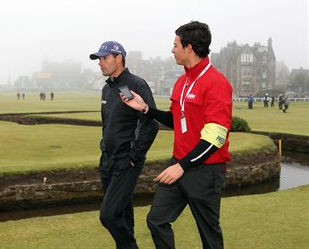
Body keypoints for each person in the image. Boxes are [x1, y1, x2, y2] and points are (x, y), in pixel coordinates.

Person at [121, 21, 232, 249]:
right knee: (156, 220)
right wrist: (145, 109)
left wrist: (182, 166)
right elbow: (175, 119)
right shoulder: (182, 81)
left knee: (209, 236)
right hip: (179, 164)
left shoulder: (216, 83)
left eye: (175, 45)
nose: (172, 50)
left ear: (189, 47)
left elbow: (215, 137)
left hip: (205, 170)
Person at [89, 41, 158, 249]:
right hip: (108, 161)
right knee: (122, 214)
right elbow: (107, 126)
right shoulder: (106, 89)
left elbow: (150, 125)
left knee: (108, 215)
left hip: (126, 162)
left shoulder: (135, 85)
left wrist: (133, 157)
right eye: (98, 59)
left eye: (104, 58)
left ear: (119, 58)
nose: (100, 63)